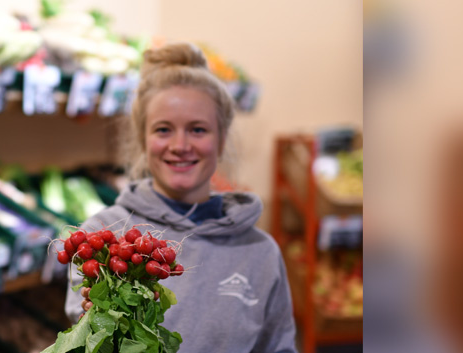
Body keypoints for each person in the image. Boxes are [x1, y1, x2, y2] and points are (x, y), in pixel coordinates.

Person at [65, 43, 298, 353]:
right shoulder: (104, 239)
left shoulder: (259, 253)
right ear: (143, 139)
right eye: (163, 130)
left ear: (222, 138)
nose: (180, 145)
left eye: (198, 130)